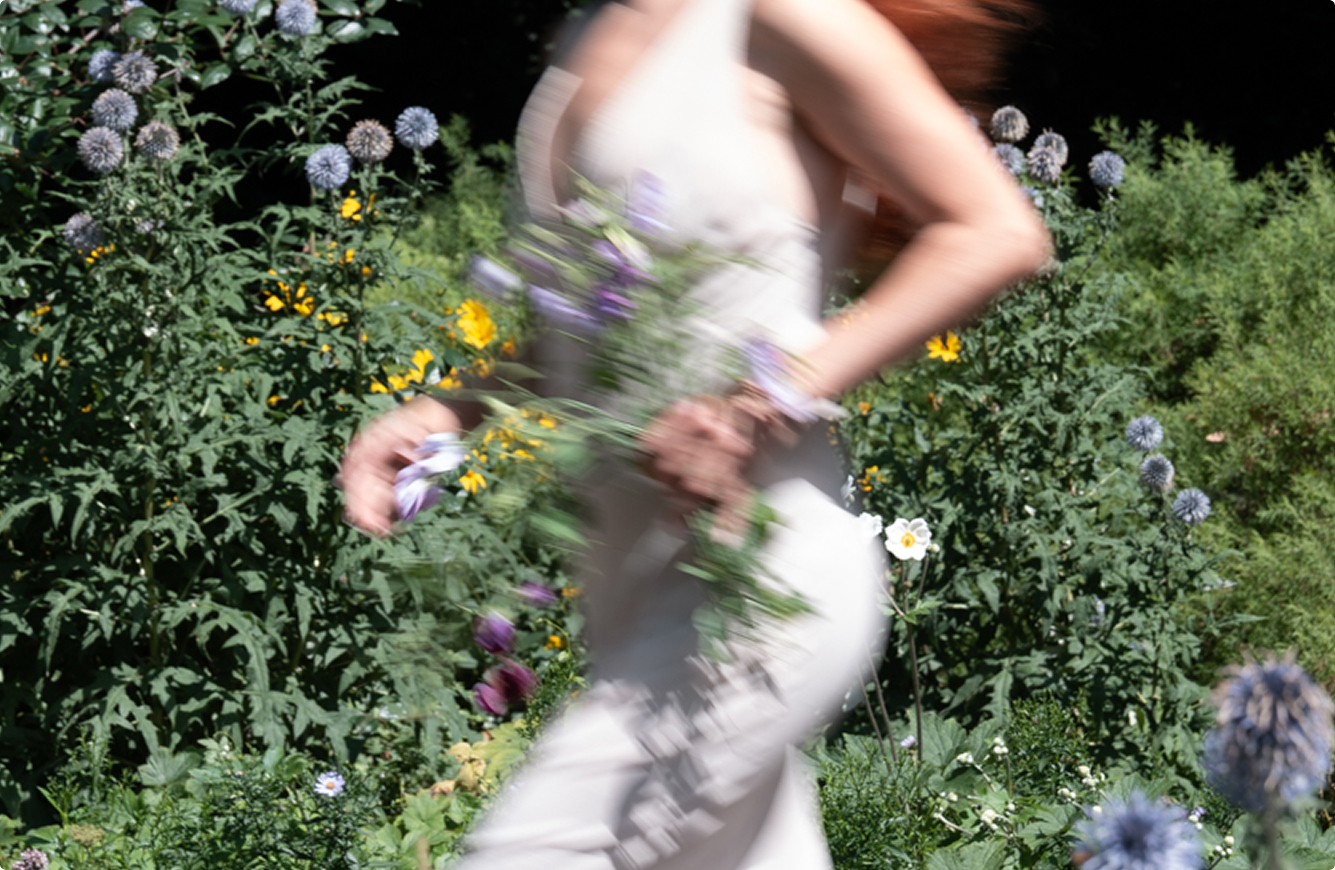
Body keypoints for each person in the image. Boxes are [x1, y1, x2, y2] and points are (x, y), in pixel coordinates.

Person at [340, 0, 1049, 866]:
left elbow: (994, 230)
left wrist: (759, 404)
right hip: (629, 598)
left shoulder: (781, 17)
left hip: (757, 588)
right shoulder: (583, 34)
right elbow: (586, 323)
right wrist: (449, 409)